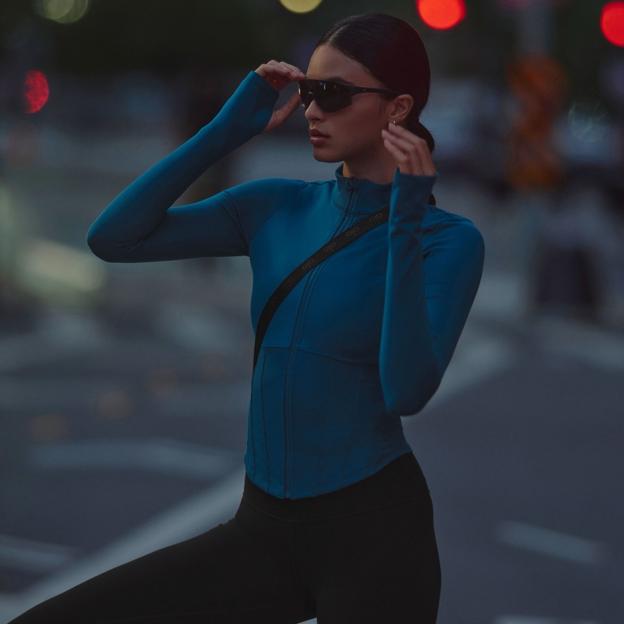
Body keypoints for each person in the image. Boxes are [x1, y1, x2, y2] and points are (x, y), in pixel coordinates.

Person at [8, 12, 484, 624]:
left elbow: (406, 390)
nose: (312, 110)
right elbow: (113, 239)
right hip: (262, 532)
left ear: (398, 108)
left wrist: (405, 220)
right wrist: (226, 129)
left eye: (332, 95)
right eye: (308, 92)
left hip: (377, 539)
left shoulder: (447, 241)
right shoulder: (274, 207)